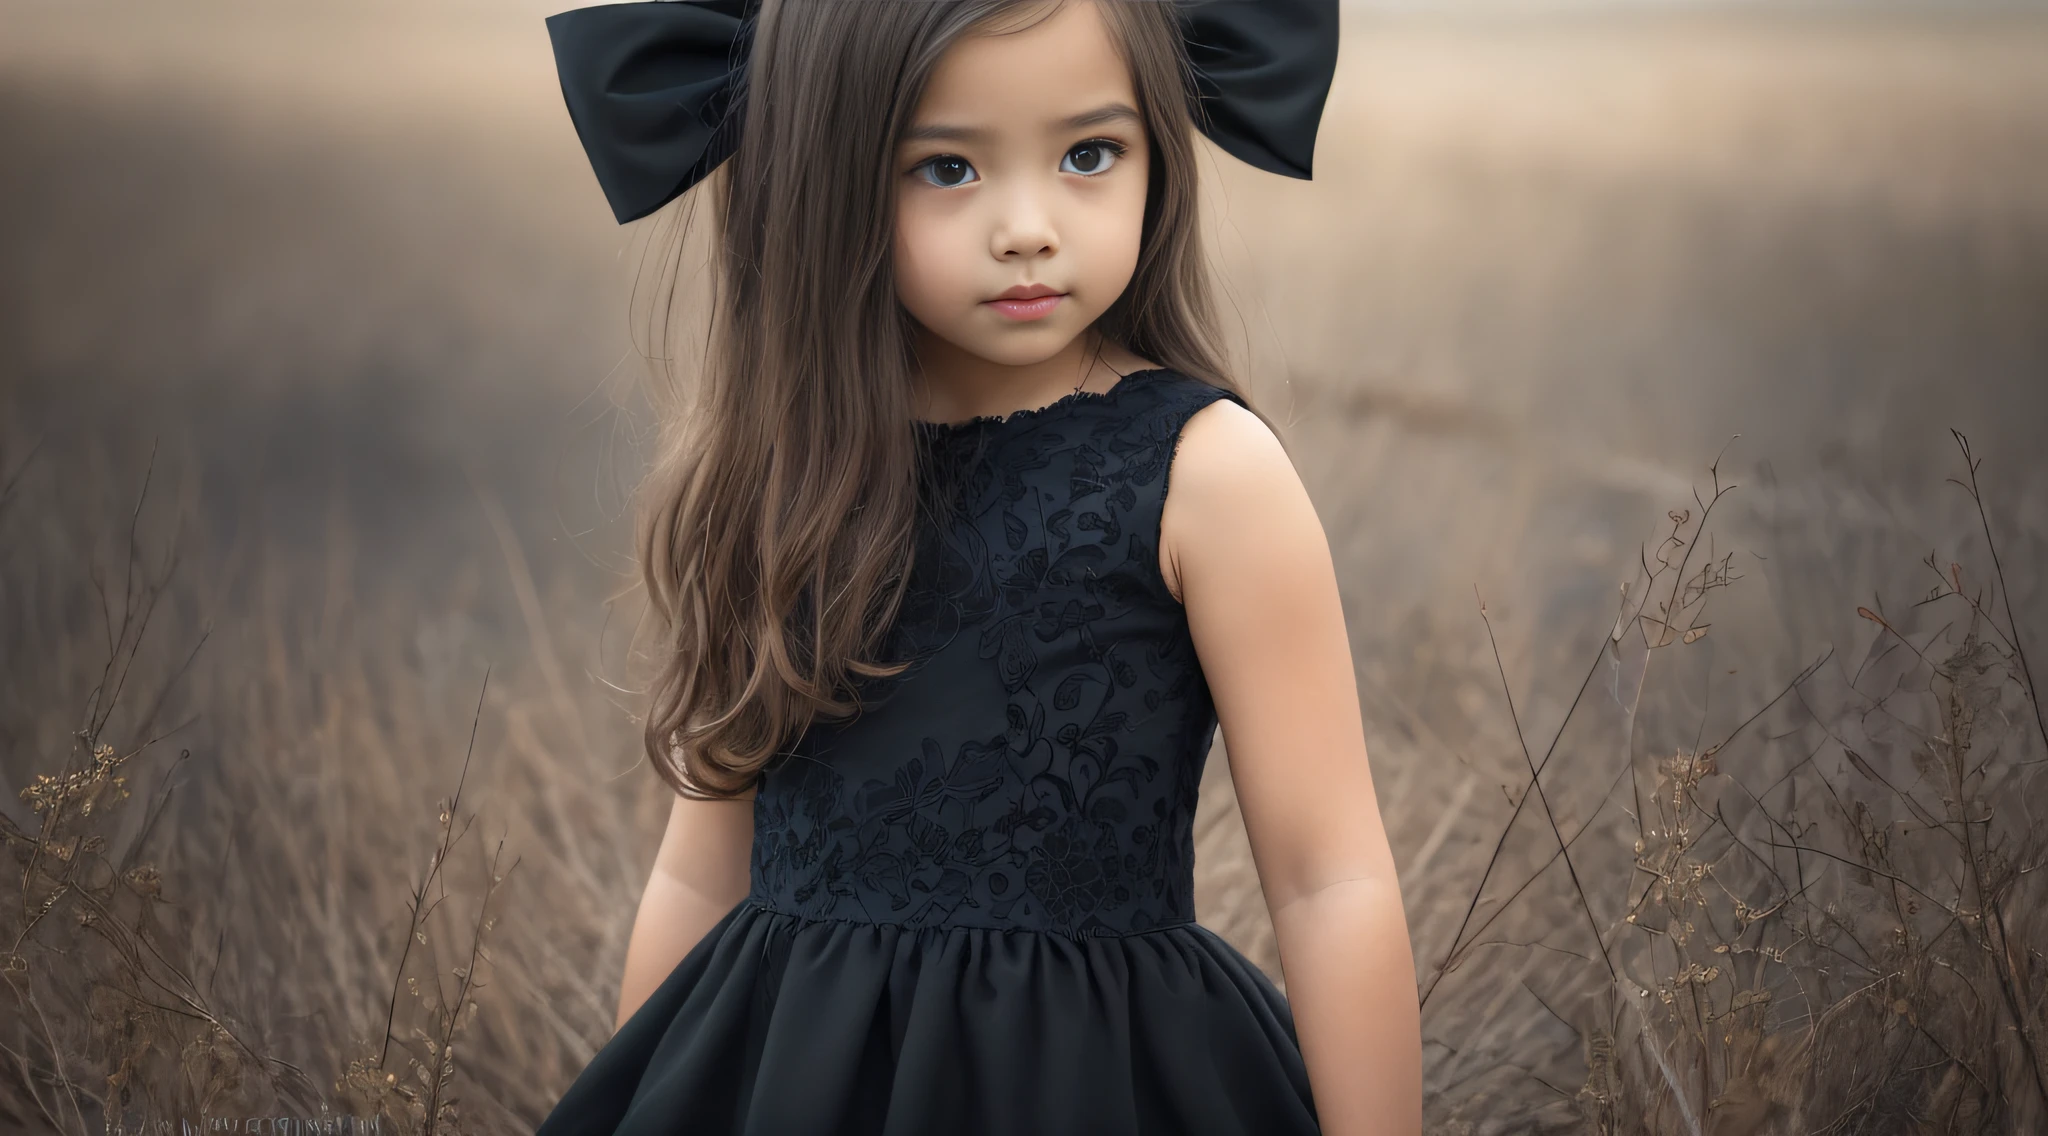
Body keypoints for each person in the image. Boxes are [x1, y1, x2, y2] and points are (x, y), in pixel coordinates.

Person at [536, 0, 1421, 1132]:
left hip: (1094, 1082)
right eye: (946, 167)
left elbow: (1326, 876)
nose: (1027, 226)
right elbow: (698, 874)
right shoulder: (784, 469)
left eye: (1089, 154)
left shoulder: (1207, 476)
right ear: (825, 176)